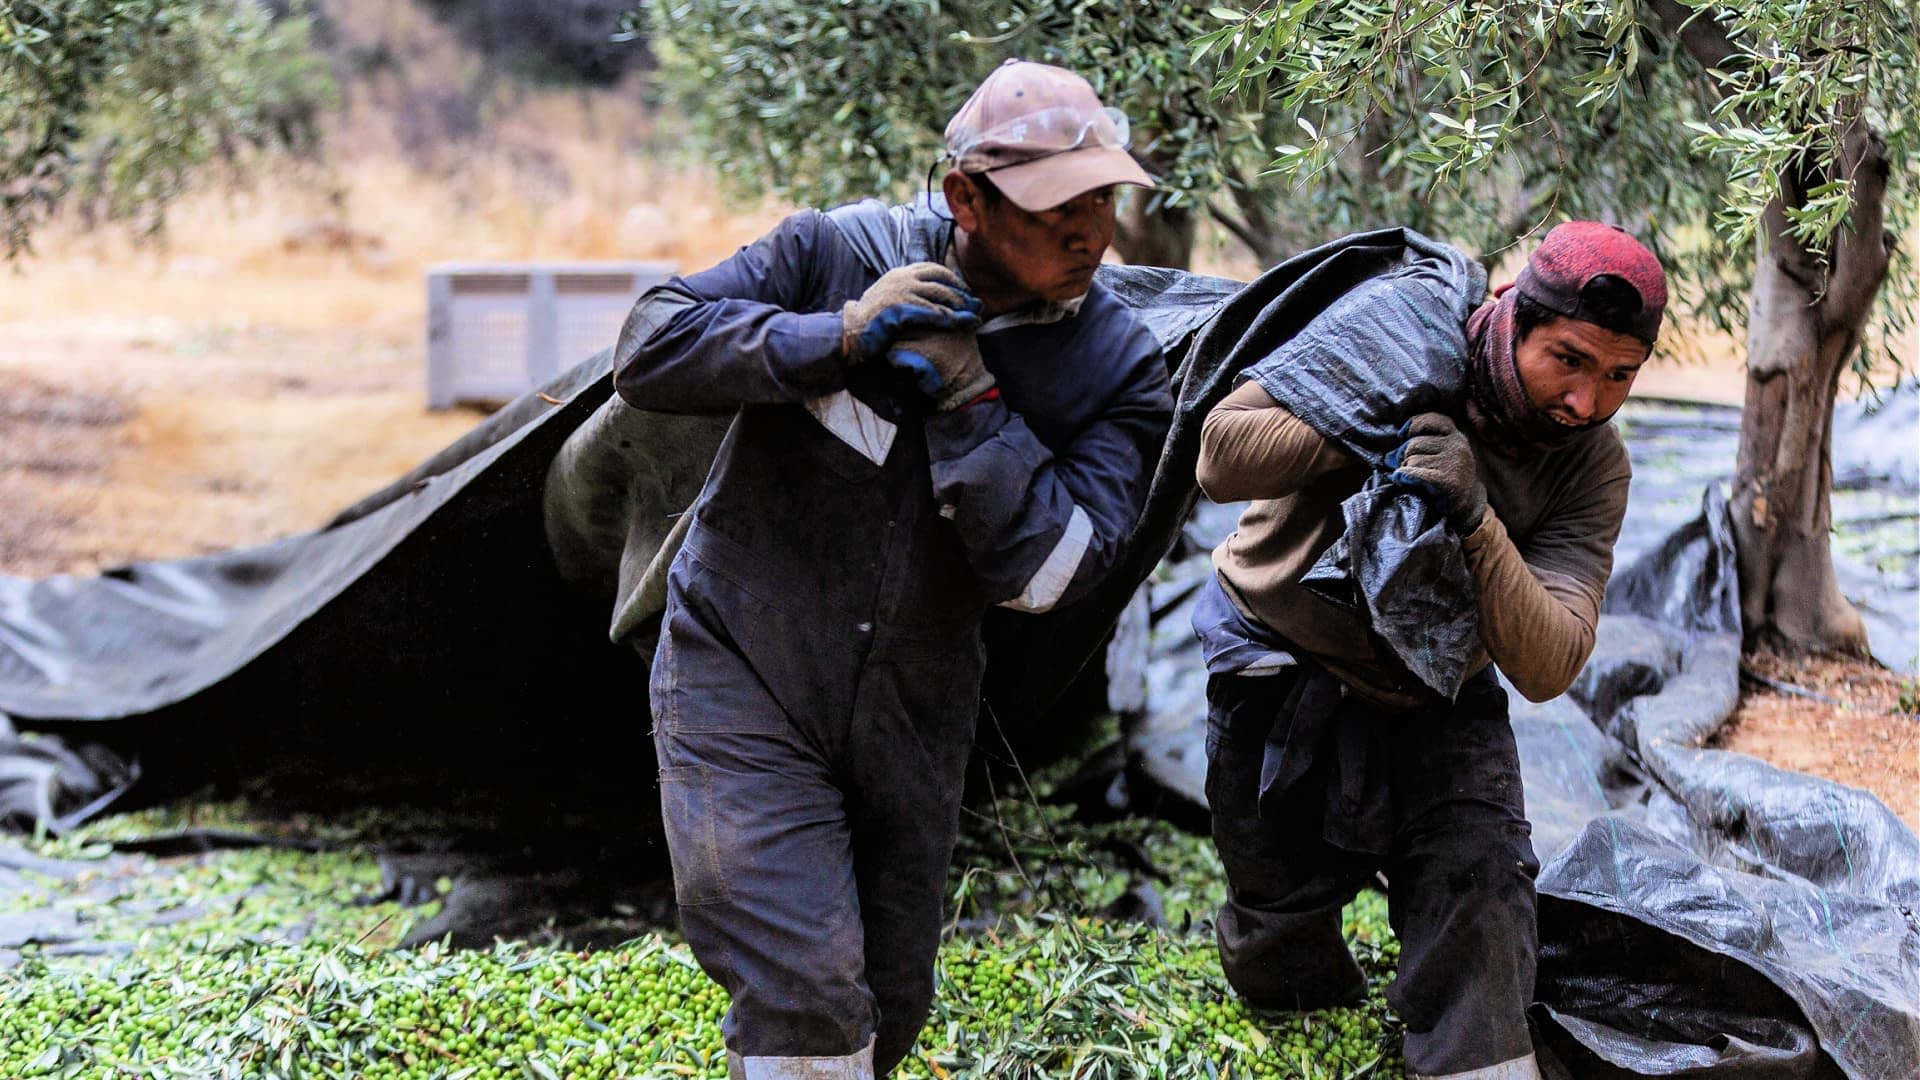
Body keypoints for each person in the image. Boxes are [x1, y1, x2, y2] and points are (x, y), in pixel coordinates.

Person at [612, 59, 1171, 1078]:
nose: (1091, 231)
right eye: (1057, 207)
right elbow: (649, 348)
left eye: (1102, 200)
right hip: (744, 669)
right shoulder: (836, 252)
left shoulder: (1118, 367)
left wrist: (972, 406)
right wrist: (835, 336)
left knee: (889, 1002)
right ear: (965, 198)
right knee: (806, 985)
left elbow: (1053, 573)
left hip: (915, 715)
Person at [1192, 222, 1668, 1080]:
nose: (1585, 401)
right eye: (1568, 360)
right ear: (1514, 315)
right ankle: (1291, 967)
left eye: (1618, 376)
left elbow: (1552, 662)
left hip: (1437, 687)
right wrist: (1375, 414)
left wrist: (1475, 516)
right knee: (1279, 924)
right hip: (1280, 653)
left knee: (1482, 891)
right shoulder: (1407, 329)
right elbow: (1220, 459)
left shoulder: (1593, 467)